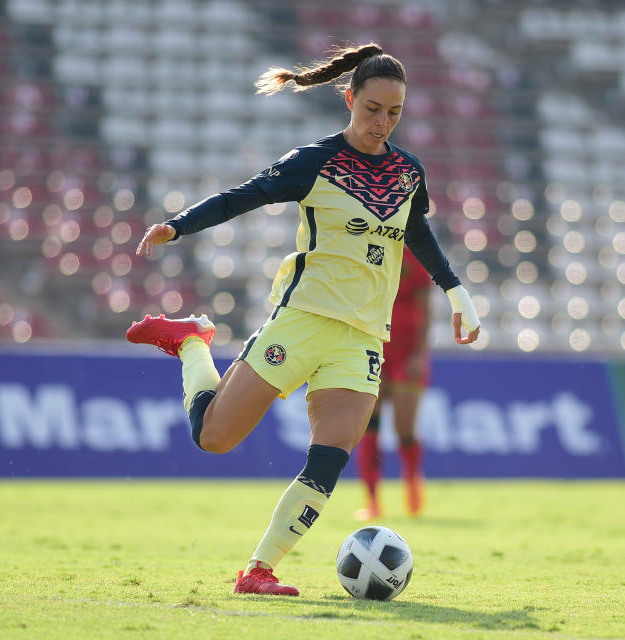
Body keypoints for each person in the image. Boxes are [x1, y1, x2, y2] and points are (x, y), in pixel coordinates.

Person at [126, 43, 481, 597]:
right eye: (372, 109)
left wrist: (457, 291)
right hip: (302, 320)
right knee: (214, 438)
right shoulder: (316, 162)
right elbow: (244, 197)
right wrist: (179, 225)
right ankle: (193, 342)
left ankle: (258, 570)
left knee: (330, 458)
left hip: (363, 336)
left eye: (394, 113)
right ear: (349, 99)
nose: (381, 123)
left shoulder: (409, 173)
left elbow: (417, 233)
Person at [355, 246, 431, 521]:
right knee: (369, 426)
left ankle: (412, 484)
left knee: (404, 430)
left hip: (405, 354)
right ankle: (372, 501)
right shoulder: (368, 250)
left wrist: (419, 354)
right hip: (374, 350)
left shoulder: (415, 257)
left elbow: (425, 312)